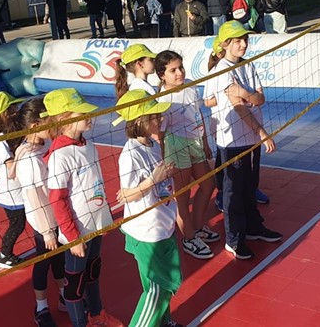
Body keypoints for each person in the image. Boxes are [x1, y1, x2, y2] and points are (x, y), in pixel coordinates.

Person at [43, 88, 123, 327]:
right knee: (75, 283)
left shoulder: (88, 145)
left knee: (93, 271)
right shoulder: (60, 155)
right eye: (83, 113)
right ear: (64, 119)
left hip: (95, 223)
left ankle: (97, 315)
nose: (90, 117)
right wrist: (72, 236)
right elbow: (58, 199)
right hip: (77, 230)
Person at [208, 21, 282, 260]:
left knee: (249, 186)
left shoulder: (247, 65)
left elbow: (260, 99)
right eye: (238, 40)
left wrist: (244, 93)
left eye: (245, 40)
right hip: (232, 141)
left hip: (250, 138)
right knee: (233, 193)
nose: (243, 44)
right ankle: (234, 239)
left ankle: (253, 227)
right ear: (225, 44)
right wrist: (261, 131)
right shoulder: (222, 70)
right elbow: (239, 107)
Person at [113, 89, 183, 327]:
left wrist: (163, 179)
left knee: (161, 283)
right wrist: (154, 179)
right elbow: (128, 194)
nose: (160, 118)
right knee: (158, 287)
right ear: (140, 121)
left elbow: (157, 182)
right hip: (146, 230)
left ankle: (163, 321)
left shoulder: (152, 144)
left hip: (162, 223)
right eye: (154, 116)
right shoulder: (130, 155)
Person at [155, 50, 220, 260]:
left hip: (196, 143)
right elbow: (160, 134)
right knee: (182, 194)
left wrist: (205, 141)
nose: (179, 73)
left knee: (208, 184)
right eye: (173, 70)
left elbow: (198, 114)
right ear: (162, 75)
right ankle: (189, 237)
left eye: (180, 67)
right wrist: (163, 160)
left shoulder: (190, 86)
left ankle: (198, 227)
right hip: (177, 146)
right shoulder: (162, 100)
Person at [14, 98, 67, 326]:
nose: (53, 124)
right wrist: (47, 232)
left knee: (60, 259)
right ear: (35, 126)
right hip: (43, 220)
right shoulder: (29, 159)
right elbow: (36, 198)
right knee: (44, 261)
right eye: (49, 121)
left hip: (57, 214)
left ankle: (64, 297)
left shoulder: (43, 144)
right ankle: (41, 307)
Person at [0, 91, 28, 269]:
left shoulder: (13, 133)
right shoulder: (0, 140)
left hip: (21, 189)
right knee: (17, 224)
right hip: (11, 193)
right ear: (5, 114)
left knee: (25, 221)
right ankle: (4, 255)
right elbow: (11, 169)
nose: (16, 111)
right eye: (13, 109)